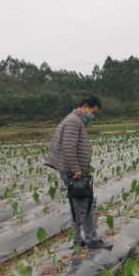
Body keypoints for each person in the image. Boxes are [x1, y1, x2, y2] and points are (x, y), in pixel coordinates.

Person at [45, 96, 110, 250]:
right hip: (74, 172)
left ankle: (77, 240)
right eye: (92, 112)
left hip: (73, 171)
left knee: (78, 206)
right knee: (85, 205)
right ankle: (91, 240)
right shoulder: (73, 121)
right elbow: (68, 147)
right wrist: (77, 170)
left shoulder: (75, 120)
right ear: (85, 107)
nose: (93, 116)